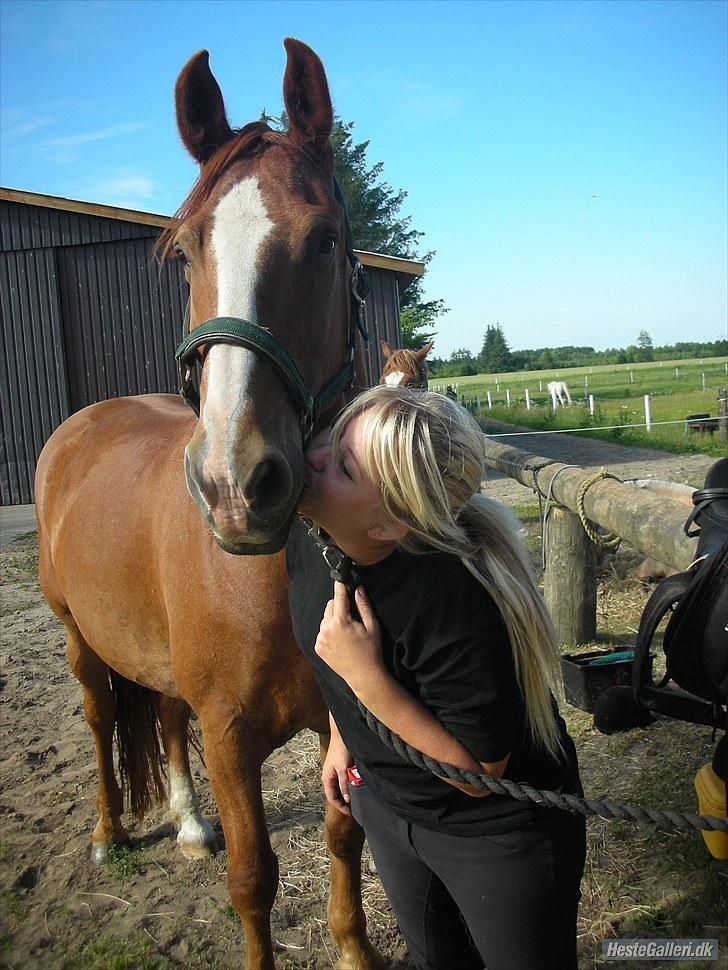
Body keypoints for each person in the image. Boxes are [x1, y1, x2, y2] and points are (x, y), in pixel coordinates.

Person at [288, 385, 586, 970]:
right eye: (334, 437)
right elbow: (330, 653)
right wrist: (343, 735)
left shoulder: (451, 597)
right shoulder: (312, 540)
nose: (313, 455)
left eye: (343, 467)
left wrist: (366, 678)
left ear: (388, 526)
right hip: (389, 806)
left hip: (495, 836)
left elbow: (481, 773)